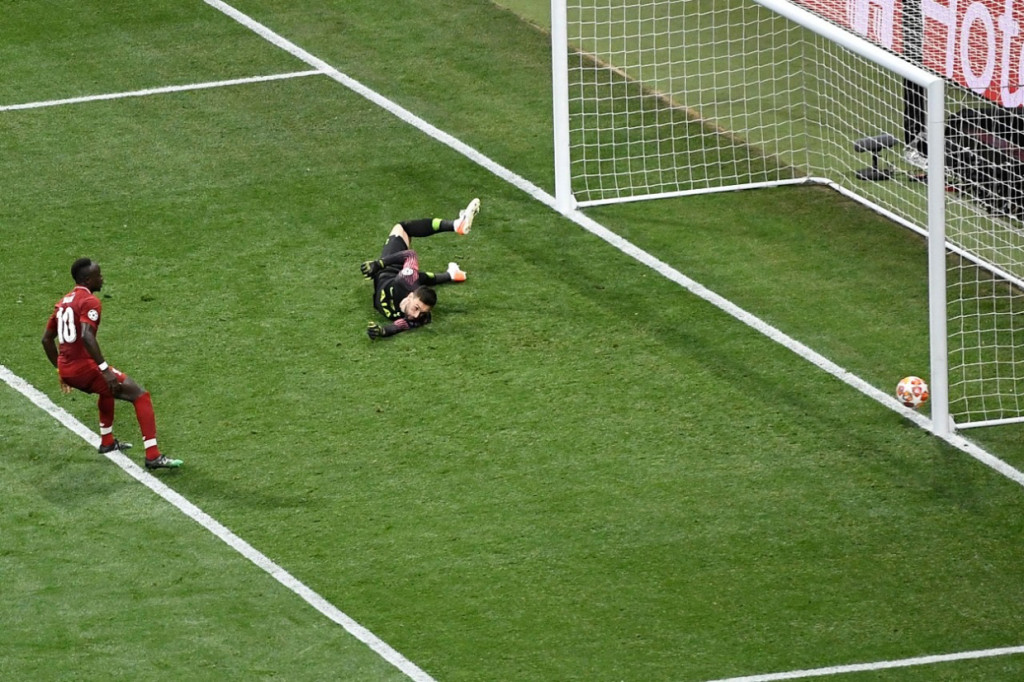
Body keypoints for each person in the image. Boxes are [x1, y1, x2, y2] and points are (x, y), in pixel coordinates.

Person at [41, 258, 182, 470]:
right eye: (98, 275)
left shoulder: (63, 303)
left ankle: (107, 441)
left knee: (107, 390)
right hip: (83, 368)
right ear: (87, 280)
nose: (102, 278)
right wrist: (105, 370)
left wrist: (60, 370)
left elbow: (46, 340)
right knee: (140, 395)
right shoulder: (90, 302)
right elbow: (87, 336)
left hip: (68, 369)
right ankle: (153, 455)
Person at [361, 198, 480, 339]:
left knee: (421, 277)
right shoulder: (407, 279)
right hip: (391, 269)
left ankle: (452, 274)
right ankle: (455, 226)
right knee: (402, 228)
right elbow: (410, 255)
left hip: (389, 279)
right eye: (416, 308)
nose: (416, 315)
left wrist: (382, 331)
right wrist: (379, 264)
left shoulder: (420, 318)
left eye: (422, 312)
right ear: (410, 296)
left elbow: (400, 325)